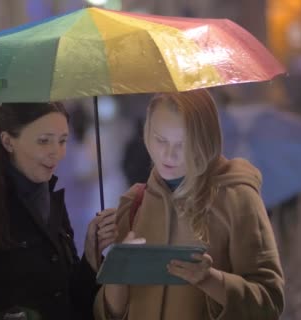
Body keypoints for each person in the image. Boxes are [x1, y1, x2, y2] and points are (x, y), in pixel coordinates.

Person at [94, 90, 285, 320]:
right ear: (146, 133)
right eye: (160, 139)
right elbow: (110, 312)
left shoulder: (237, 198)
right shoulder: (134, 203)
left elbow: (269, 303)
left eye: (182, 144)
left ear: (205, 139)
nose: (168, 154)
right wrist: (117, 273)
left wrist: (211, 279)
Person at [0, 102, 117, 320]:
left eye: (62, 141)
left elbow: (72, 301)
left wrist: (91, 255)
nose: (57, 153)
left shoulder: (52, 206)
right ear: (7, 141)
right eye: (44, 141)